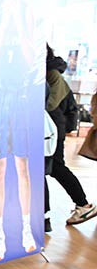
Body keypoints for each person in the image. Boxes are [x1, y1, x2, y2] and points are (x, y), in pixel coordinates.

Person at [0, 0, 36, 261]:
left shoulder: (26, 9)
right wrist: (5, 20)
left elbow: (31, 59)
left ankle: (26, 230)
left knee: (22, 165)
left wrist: (18, 22)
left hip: (20, 96)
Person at [44, 45, 97, 229]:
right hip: (49, 128)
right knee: (49, 169)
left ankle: (82, 205)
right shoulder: (45, 73)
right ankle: (46, 218)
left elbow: (50, 104)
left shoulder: (52, 75)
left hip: (51, 130)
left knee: (53, 168)